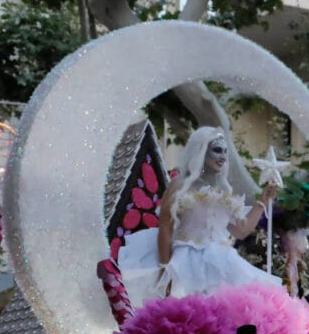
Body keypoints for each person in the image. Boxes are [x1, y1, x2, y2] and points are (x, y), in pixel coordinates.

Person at [115, 126, 282, 304]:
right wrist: (166, 270)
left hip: (221, 261)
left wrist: (262, 202)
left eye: (225, 152)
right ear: (201, 151)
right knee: (187, 310)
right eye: (217, 150)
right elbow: (166, 227)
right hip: (186, 260)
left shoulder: (224, 190)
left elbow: (241, 230)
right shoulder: (179, 185)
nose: (223, 156)